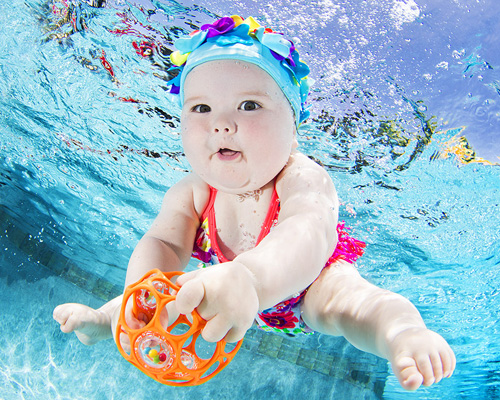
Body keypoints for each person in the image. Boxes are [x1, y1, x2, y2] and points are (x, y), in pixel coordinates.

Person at [53, 15, 455, 391]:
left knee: (345, 304)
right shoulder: (191, 192)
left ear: (294, 130)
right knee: (169, 288)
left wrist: (251, 279)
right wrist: (142, 295)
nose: (222, 123)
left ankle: (402, 332)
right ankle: (112, 318)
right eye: (201, 107)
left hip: (305, 283)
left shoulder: (302, 177)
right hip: (230, 292)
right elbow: (165, 246)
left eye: (249, 105)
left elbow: (307, 231)